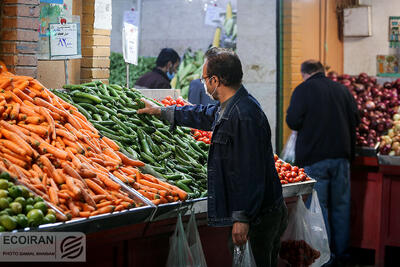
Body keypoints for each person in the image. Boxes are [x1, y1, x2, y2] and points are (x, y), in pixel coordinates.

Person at [138, 47, 287, 267]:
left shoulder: (243, 115)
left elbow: (250, 171)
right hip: (260, 212)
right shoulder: (232, 105)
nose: (203, 83)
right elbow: (205, 114)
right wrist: (163, 112)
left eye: (204, 78)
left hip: (259, 217)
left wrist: (242, 218)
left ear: (215, 80)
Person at [286, 60, 360, 266]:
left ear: (304, 74)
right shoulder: (342, 90)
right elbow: (356, 119)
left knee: (319, 208)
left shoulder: (302, 90)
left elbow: (293, 121)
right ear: (322, 71)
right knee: (341, 207)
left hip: (315, 158)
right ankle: (343, 255)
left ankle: (325, 258)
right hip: (341, 159)